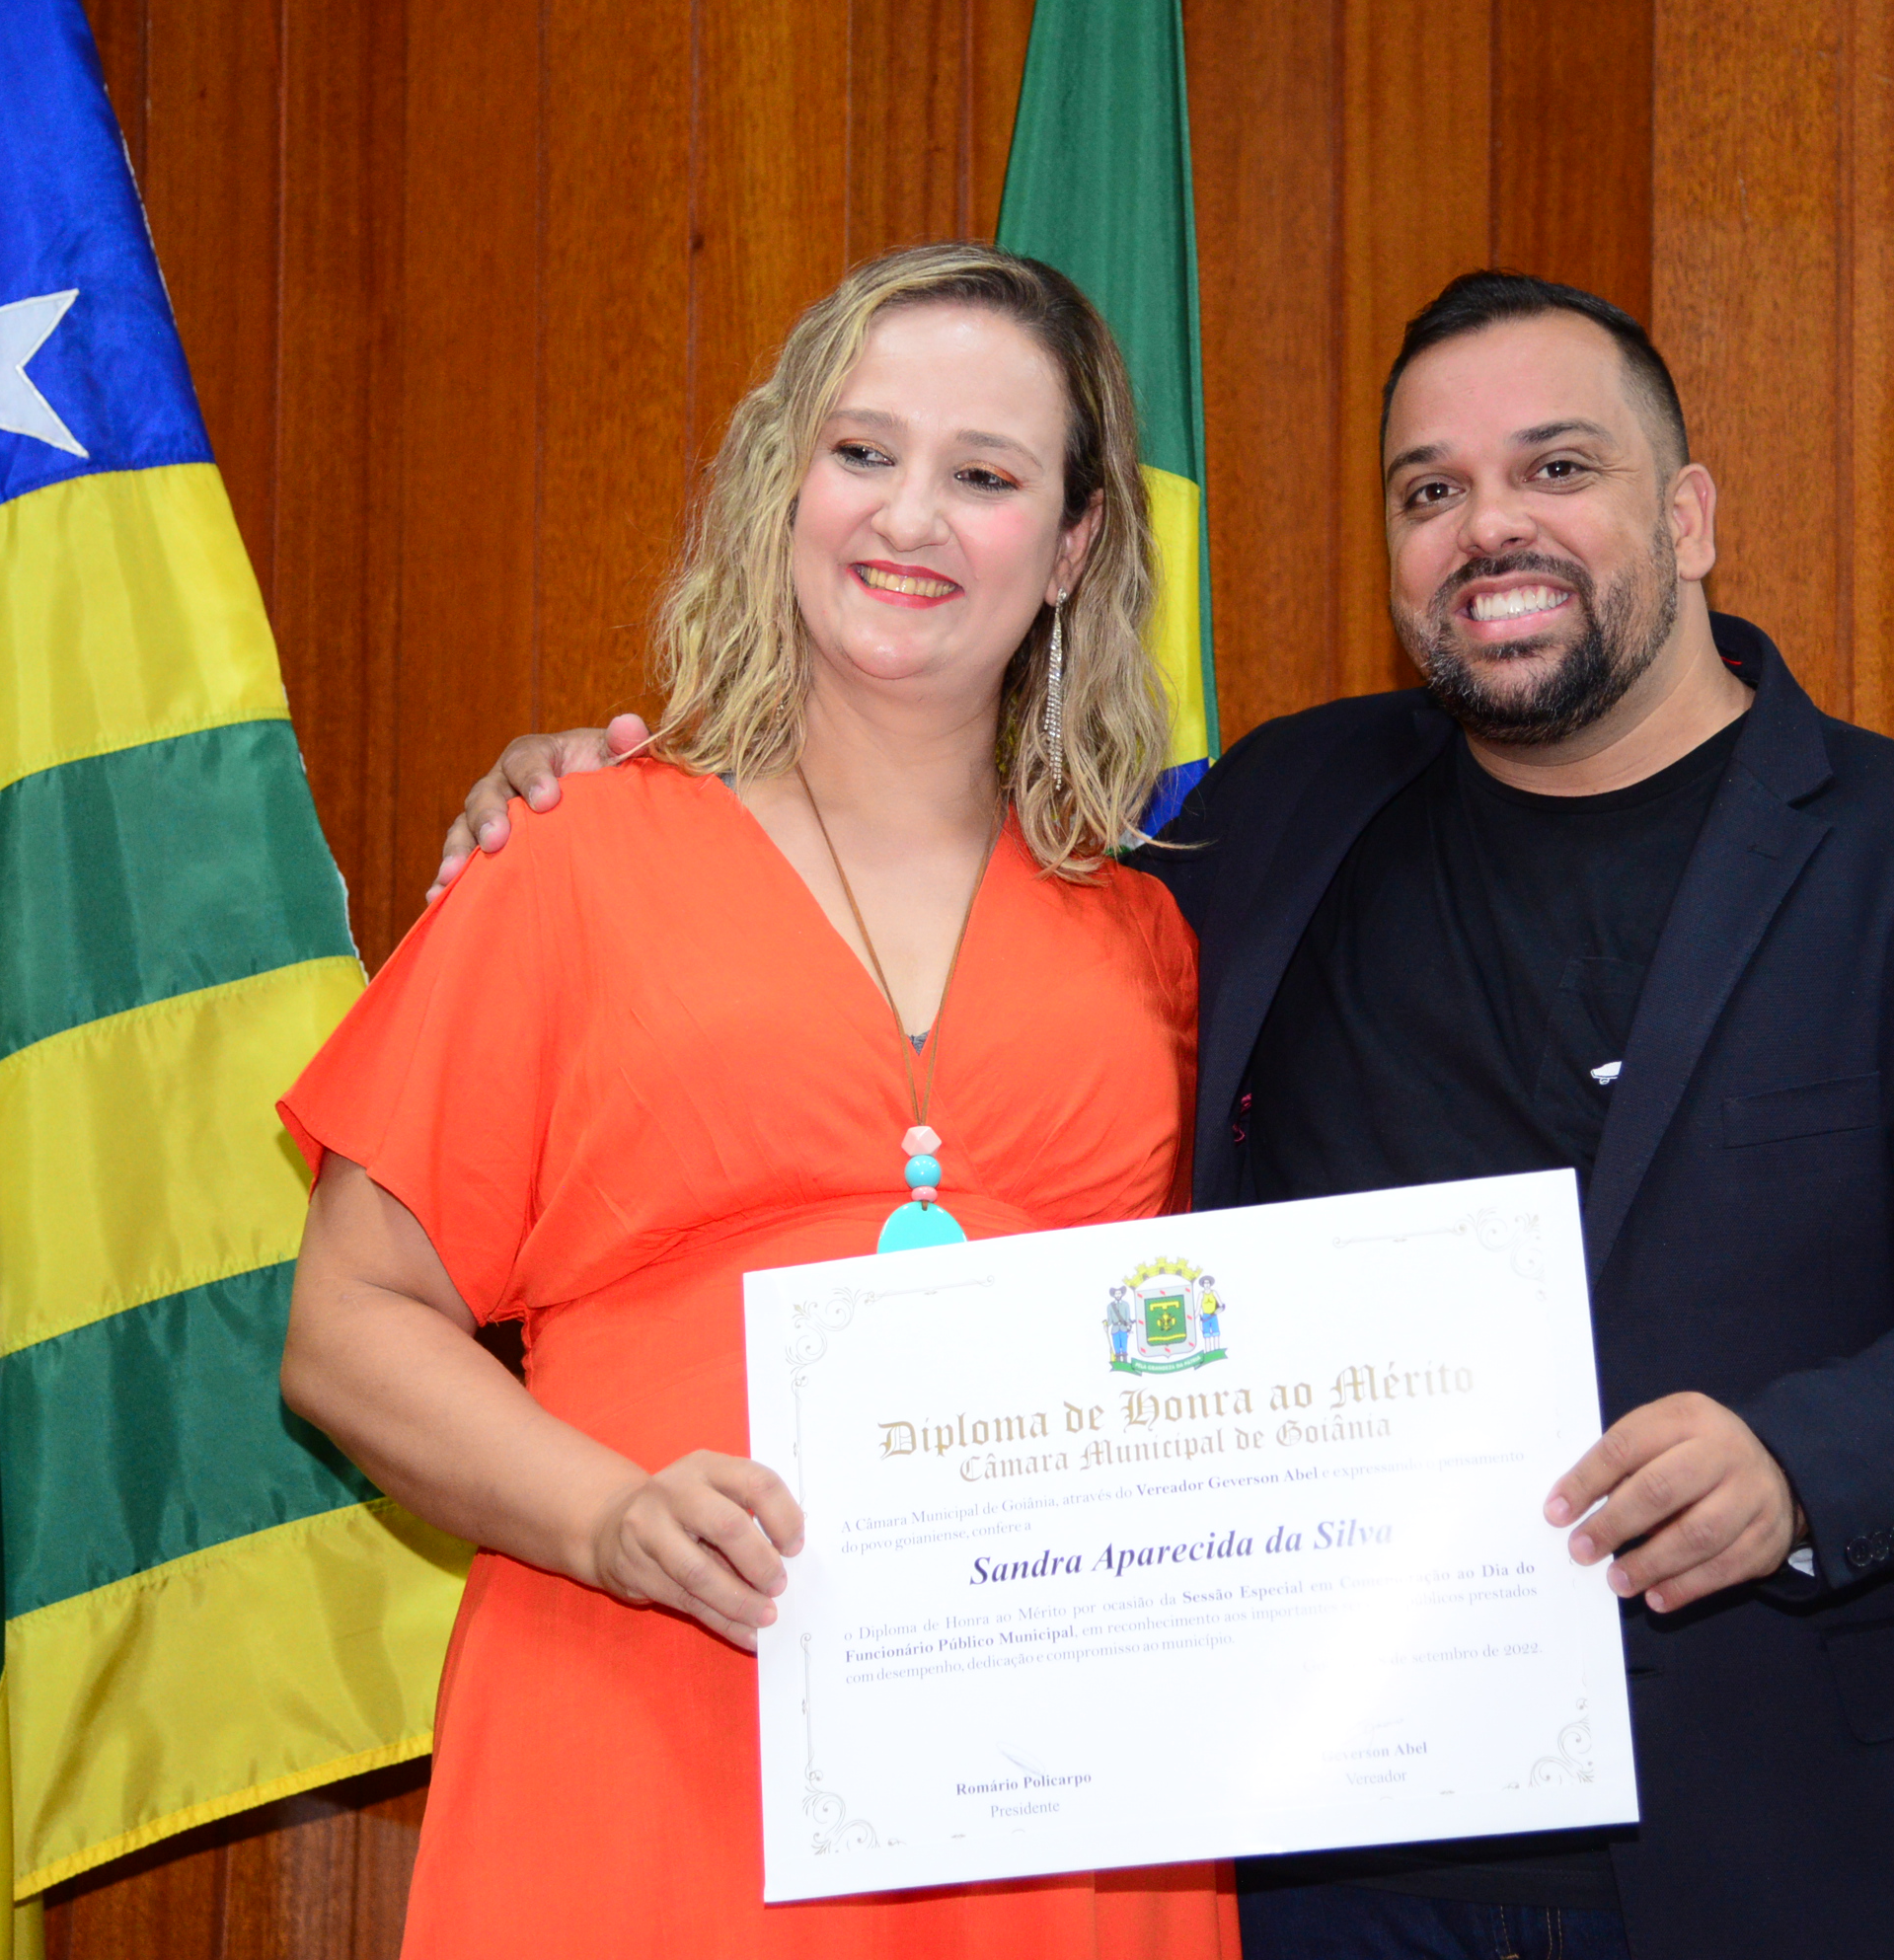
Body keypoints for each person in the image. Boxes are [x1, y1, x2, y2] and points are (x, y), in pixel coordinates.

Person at [444, 272, 1894, 1960]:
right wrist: (598, 791)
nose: (1491, 527)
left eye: (1557, 468)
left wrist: (1800, 1466)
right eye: (1431, 491)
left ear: (1690, 515)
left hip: (1779, 1844)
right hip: (1324, 1857)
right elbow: (937, 900)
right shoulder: (1279, 814)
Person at [277, 243, 1234, 1960]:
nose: (909, 517)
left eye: (987, 475)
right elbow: (349, 1327)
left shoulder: (1150, 937)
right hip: (645, 1731)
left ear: (1075, 547)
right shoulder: (568, 854)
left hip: (1059, 1800)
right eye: (863, 451)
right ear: (786, 481)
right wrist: (608, 1519)